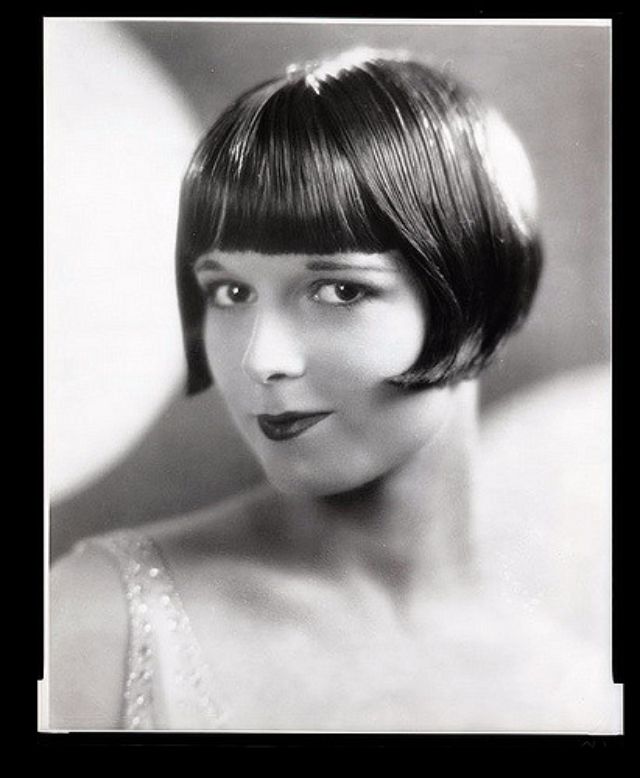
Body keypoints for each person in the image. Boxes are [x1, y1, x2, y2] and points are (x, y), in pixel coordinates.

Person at [48, 49, 617, 732]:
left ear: (476, 300)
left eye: (340, 290)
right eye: (230, 292)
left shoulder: (573, 690)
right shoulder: (102, 619)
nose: (262, 360)